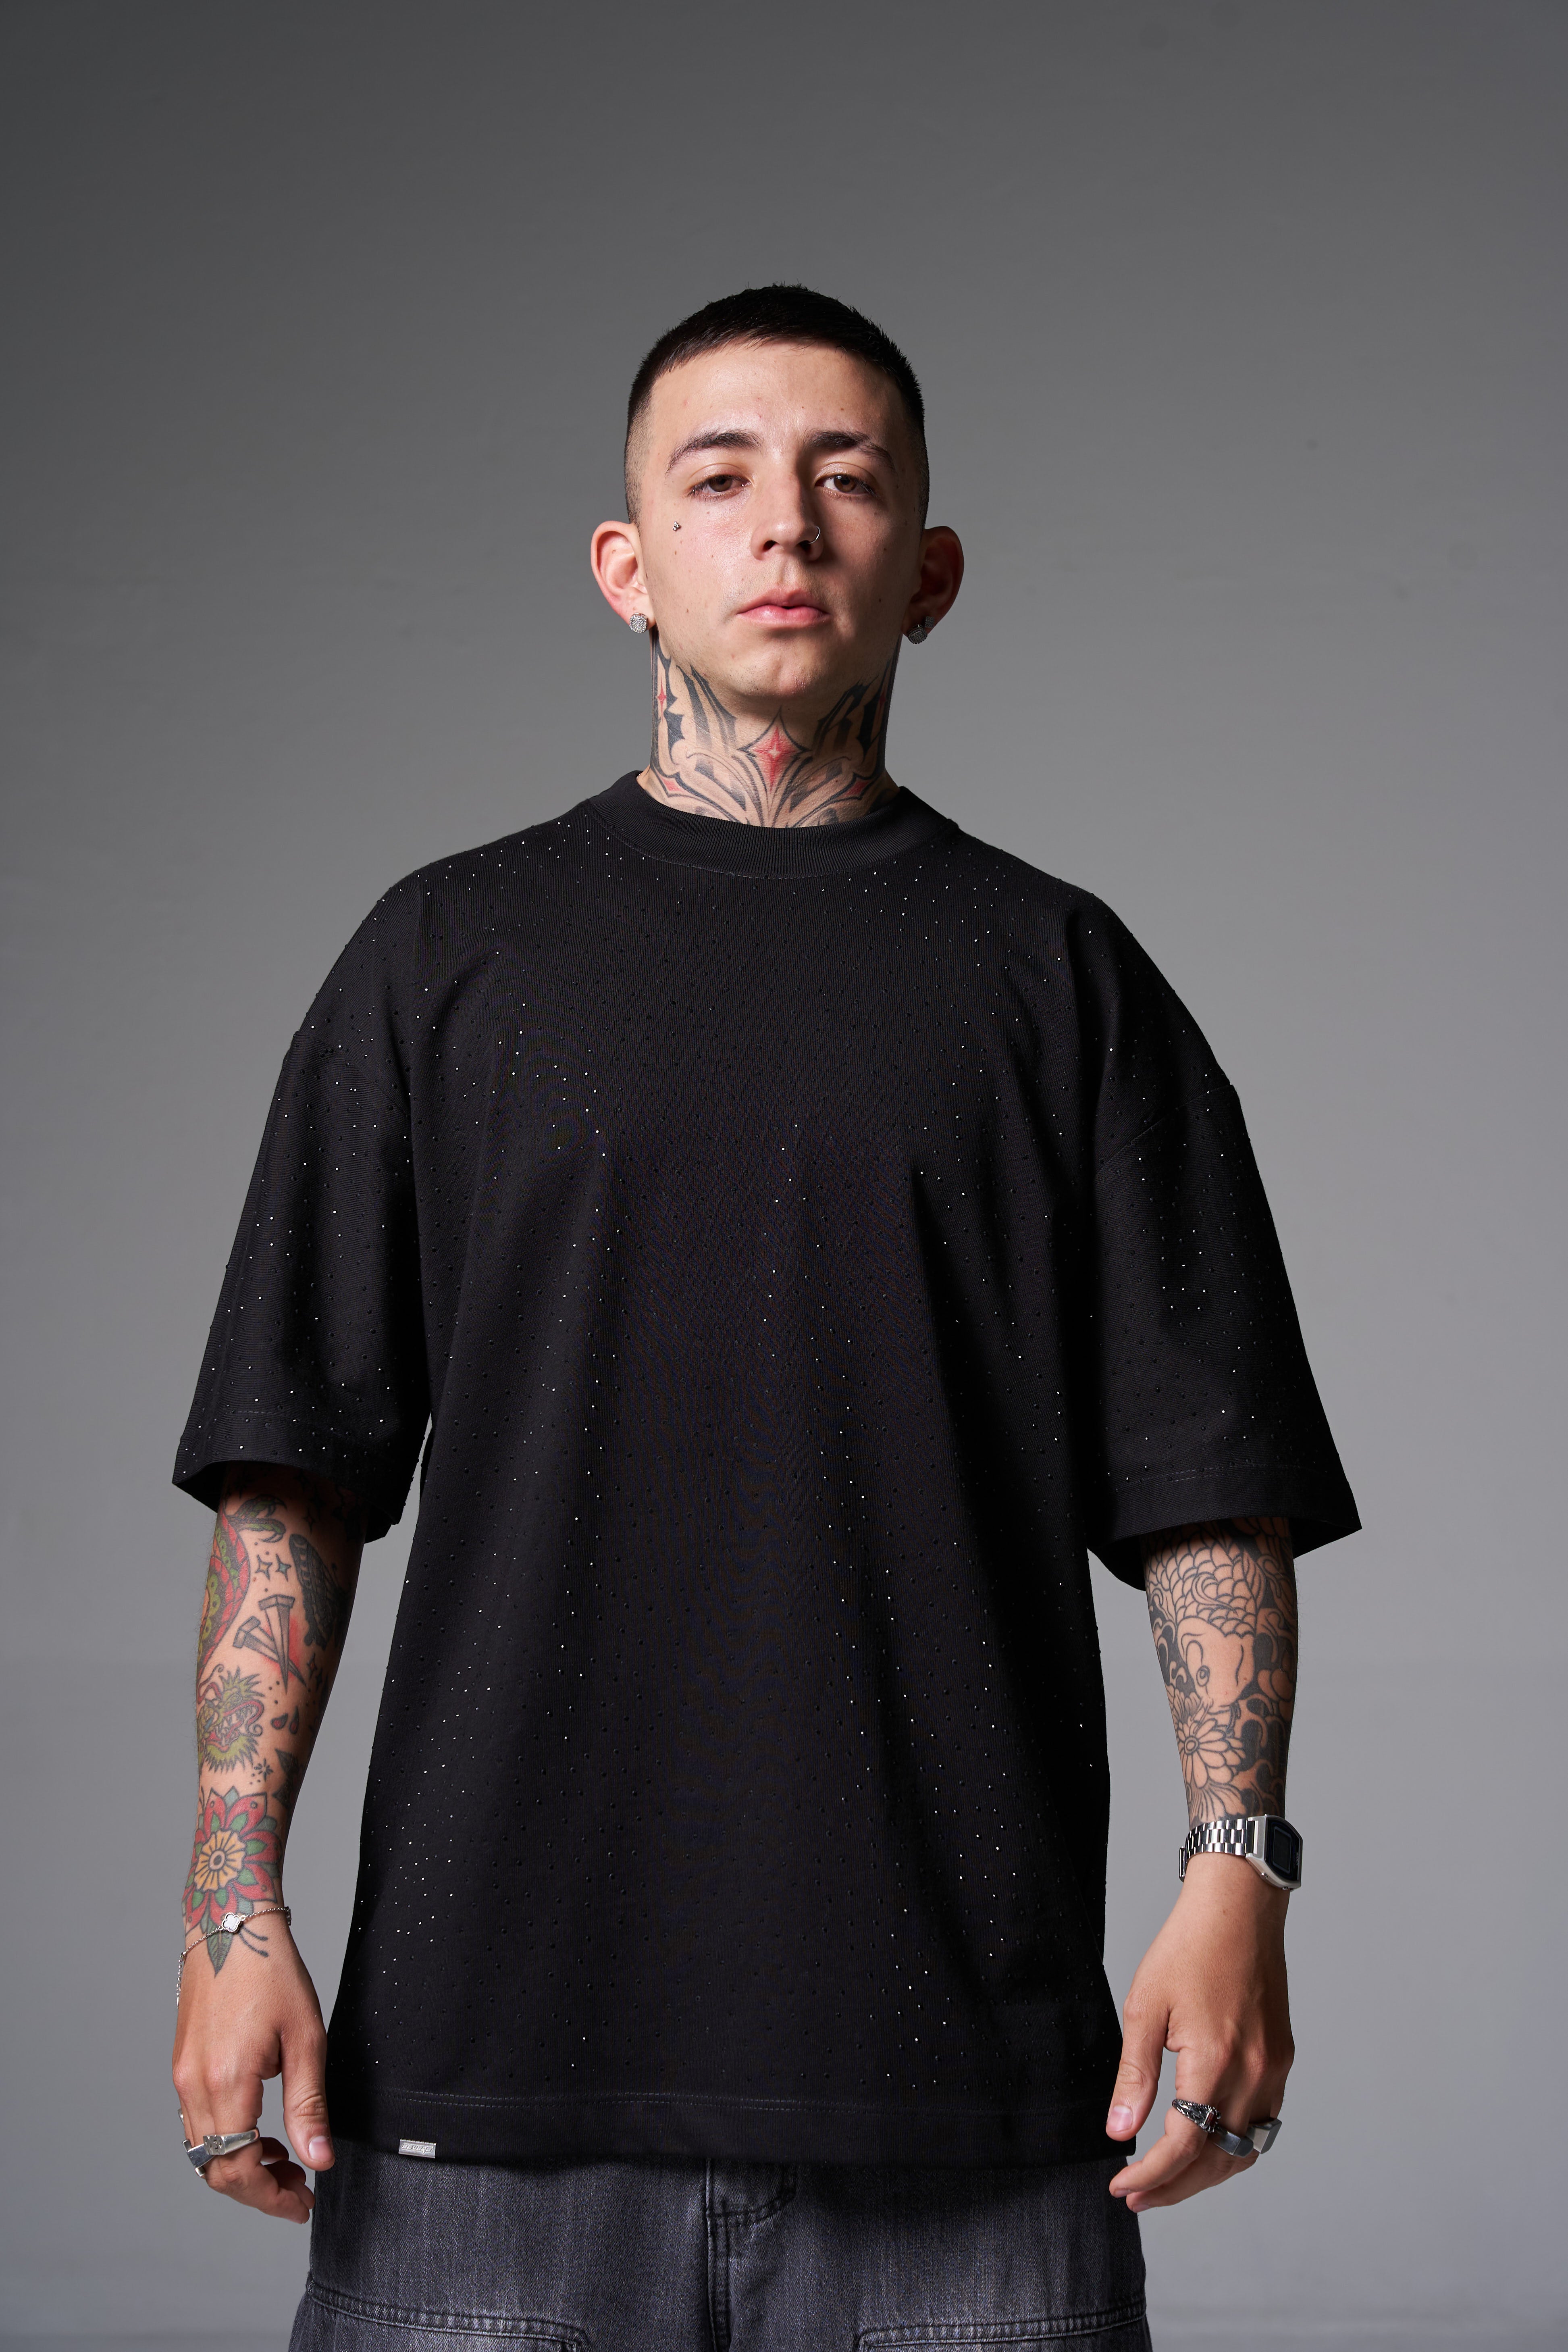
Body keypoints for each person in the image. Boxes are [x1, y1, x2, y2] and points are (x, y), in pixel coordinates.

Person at [171, 285, 1358, 2350]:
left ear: (932, 571)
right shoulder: (441, 961)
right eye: (718, 479)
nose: (787, 522)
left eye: (848, 478)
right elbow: (296, 1476)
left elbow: (1208, 1494)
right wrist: (228, 1901)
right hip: (480, 2098)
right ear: (627, 564)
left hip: (975, 2120)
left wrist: (1236, 1867)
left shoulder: (1063, 983)